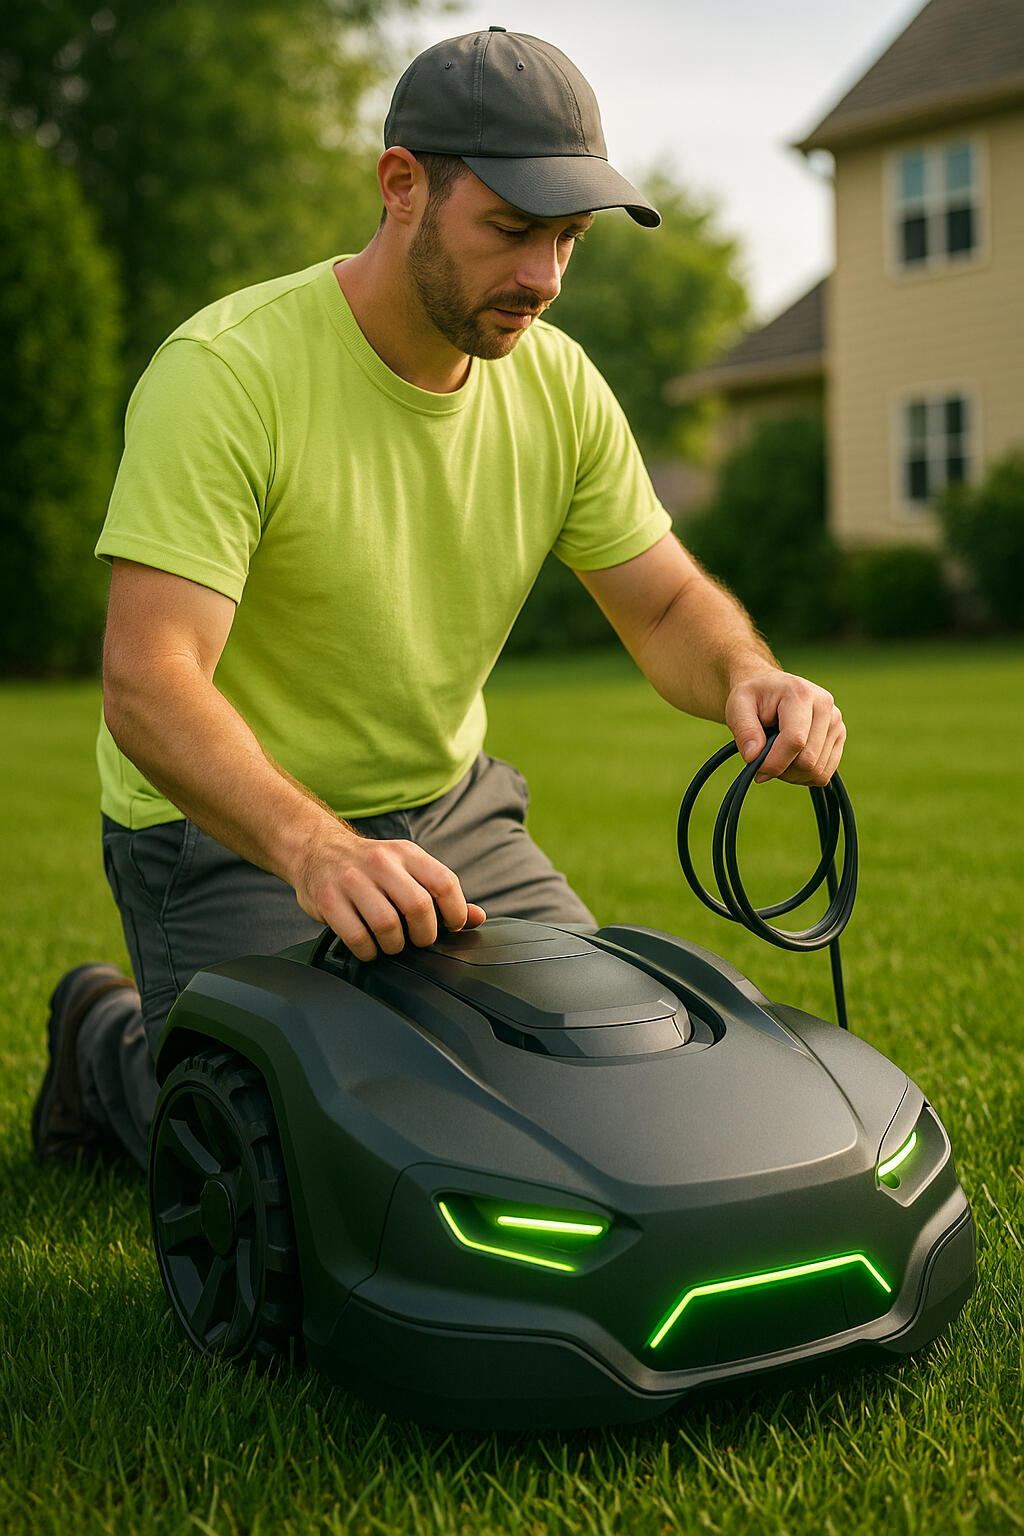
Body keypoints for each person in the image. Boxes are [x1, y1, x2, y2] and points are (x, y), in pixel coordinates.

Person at [32, 26, 845, 1171]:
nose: (545, 278)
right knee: (297, 1151)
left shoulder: (557, 385)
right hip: (225, 832)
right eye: (511, 231)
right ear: (401, 185)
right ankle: (106, 1040)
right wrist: (315, 849)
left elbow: (663, 608)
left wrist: (749, 678)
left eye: (567, 239)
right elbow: (148, 682)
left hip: (447, 812)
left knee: (606, 1080)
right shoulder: (226, 376)